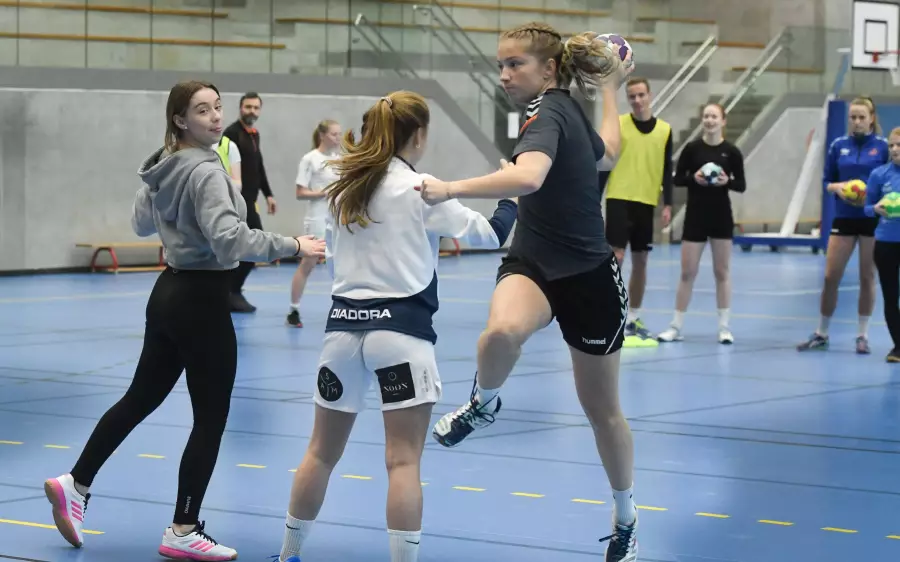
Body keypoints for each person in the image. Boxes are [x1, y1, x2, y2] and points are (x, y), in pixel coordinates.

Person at [43, 80, 325, 561]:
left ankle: (76, 483)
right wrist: (293, 245)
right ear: (180, 120)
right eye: (202, 110)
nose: (215, 117)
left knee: (141, 397)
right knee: (210, 418)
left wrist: (160, 176)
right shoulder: (205, 172)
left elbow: (141, 223)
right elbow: (231, 240)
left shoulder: (165, 166)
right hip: (201, 301)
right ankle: (183, 528)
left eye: (217, 107)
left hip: (168, 294)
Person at [420, 22, 638, 562]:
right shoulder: (560, 110)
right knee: (500, 333)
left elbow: (532, 177)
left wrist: (450, 188)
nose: (503, 74)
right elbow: (607, 151)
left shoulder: (551, 111)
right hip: (535, 261)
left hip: (589, 276)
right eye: (501, 64)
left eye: (515, 63)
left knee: (602, 412)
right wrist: (610, 92)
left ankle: (626, 518)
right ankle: (483, 403)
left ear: (549, 69)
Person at [274, 91, 516, 562]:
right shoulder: (421, 188)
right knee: (402, 461)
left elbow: (333, 257)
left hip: (341, 332)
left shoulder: (344, 187)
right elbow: (493, 234)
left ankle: (288, 555)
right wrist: (512, 193)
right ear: (418, 135)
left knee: (319, 453)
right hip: (401, 336)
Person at [798, 96, 888, 353]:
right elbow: (827, 181)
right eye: (853, 117)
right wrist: (839, 188)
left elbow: (890, 180)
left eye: (861, 117)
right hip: (844, 219)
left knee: (867, 277)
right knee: (830, 277)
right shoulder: (838, 145)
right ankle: (822, 333)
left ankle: (862, 336)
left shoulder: (882, 147)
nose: (857, 122)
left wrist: (872, 196)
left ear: (871, 119)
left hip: (872, 219)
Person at [656, 103, 745, 344]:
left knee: (721, 272)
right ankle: (675, 326)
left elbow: (741, 184)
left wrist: (726, 181)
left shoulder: (731, 152)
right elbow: (677, 179)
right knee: (687, 272)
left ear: (723, 121)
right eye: (706, 116)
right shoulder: (692, 149)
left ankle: (724, 327)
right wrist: (694, 178)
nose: (709, 120)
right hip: (695, 216)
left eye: (714, 116)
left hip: (721, 217)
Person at [603, 77, 674, 345]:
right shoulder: (619, 125)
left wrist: (668, 203)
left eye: (641, 95)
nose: (637, 100)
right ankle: (610, 313)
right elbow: (605, 163)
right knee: (616, 257)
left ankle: (633, 316)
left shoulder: (665, 130)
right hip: (619, 197)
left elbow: (667, 169)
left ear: (649, 95)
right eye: (632, 96)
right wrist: (594, 199)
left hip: (646, 201)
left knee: (641, 260)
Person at [223, 92, 278, 313]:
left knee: (251, 246)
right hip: (238, 202)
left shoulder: (254, 135)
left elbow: (258, 166)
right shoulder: (231, 134)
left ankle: (232, 291)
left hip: (251, 200)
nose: (252, 111)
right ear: (240, 108)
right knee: (255, 245)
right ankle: (231, 291)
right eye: (248, 107)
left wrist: (268, 195)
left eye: (256, 107)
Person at [286, 119, 343, 328]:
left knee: (341, 265)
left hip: (337, 218)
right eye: (334, 134)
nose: (338, 138)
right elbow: (300, 192)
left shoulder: (339, 160)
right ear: (322, 136)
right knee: (308, 264)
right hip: (317, 218)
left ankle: (344, 308)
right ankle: (293, 310)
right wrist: (323, 193)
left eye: (339, 134)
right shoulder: (310, 159)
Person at [864, 126, 900, 362]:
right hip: (886, 243)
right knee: (891, 296)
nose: (894, 149)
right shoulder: (879, 174)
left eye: (899, 145)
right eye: (891, 145)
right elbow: (867, 208)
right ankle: (898, 346)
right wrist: (876, 209)